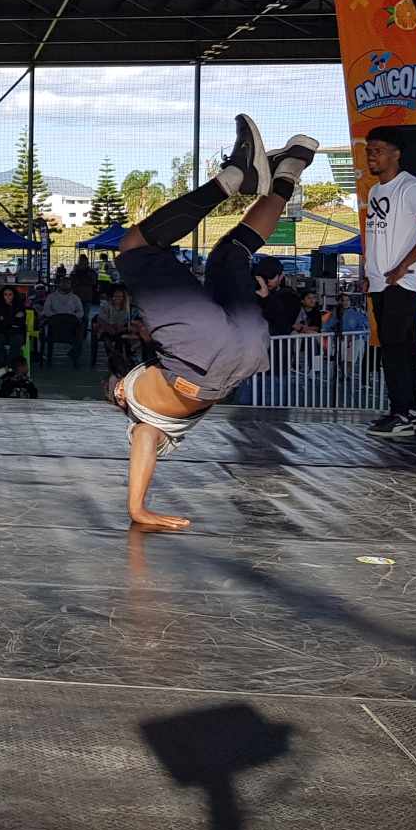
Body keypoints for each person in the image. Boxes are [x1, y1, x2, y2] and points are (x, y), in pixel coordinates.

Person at [103, 115, 317, 530]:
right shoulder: (145, 419)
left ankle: (289, 170)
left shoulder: (158, 410)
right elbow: (145, 442)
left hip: (245, 352)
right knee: (133, 247)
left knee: (231, 251)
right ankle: (235, 176)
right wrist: (137, 508)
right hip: (202, 358)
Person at [357, 125, 416, 438]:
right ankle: (408, 411)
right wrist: (367, 273)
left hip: (402, 280)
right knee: (398, 346)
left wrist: (404, 266)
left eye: (377, 150)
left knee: (395, 347)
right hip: (381, 281)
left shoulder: (410, 187)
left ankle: (401, 414)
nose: (371, 157)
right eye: (368, 151)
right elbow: (375, 236)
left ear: (396, 154)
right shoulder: (376, 190)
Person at [254, 258, 303, 339]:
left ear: (281, 277)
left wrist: (266, 299)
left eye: (271, 276)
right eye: (264, 277)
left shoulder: (290, 296)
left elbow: (284, 325)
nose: (267, 280)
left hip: (278, 347)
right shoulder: (252, 293)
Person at [0, 285, 28, 377]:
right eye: (5, 294)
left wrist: (5, 319)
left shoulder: (20, 306)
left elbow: (21, 322)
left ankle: (7, 368)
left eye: (10, 294)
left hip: (16, 332)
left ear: (14, 295)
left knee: (16, 342)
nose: (7, 297)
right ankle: (8, 368)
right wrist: (13, 319)